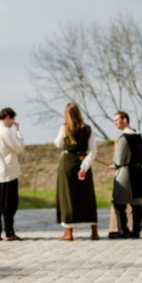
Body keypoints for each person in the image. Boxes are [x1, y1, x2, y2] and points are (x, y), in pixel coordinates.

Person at [54, 103, 99, 240]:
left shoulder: (65, 128)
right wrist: (84, 167)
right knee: (87, 196)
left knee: (68, 196)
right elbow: (93, 151)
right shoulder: (88, 129)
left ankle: (69, 232)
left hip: (68, 163)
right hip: (83, 161)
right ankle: (94, 231)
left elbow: (58, 143)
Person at [108, 110, 142, 239]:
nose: (115, 124)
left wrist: (114, 165)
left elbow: (118, 160)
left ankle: (123, 230)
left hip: (125, 173)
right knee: (136, 203)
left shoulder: (124, 138)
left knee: (119, 202)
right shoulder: (138, 136)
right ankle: (136, 230)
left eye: (117, 120)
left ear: (124, 119)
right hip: (138, 172)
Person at [0, 107, 25, 241]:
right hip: (7, 172)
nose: (13, 122)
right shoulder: (5, 132)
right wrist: (18, 133)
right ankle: (9, 232)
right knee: (9, 205)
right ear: (8, 117)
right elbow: (19, 147)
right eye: (13, 119)